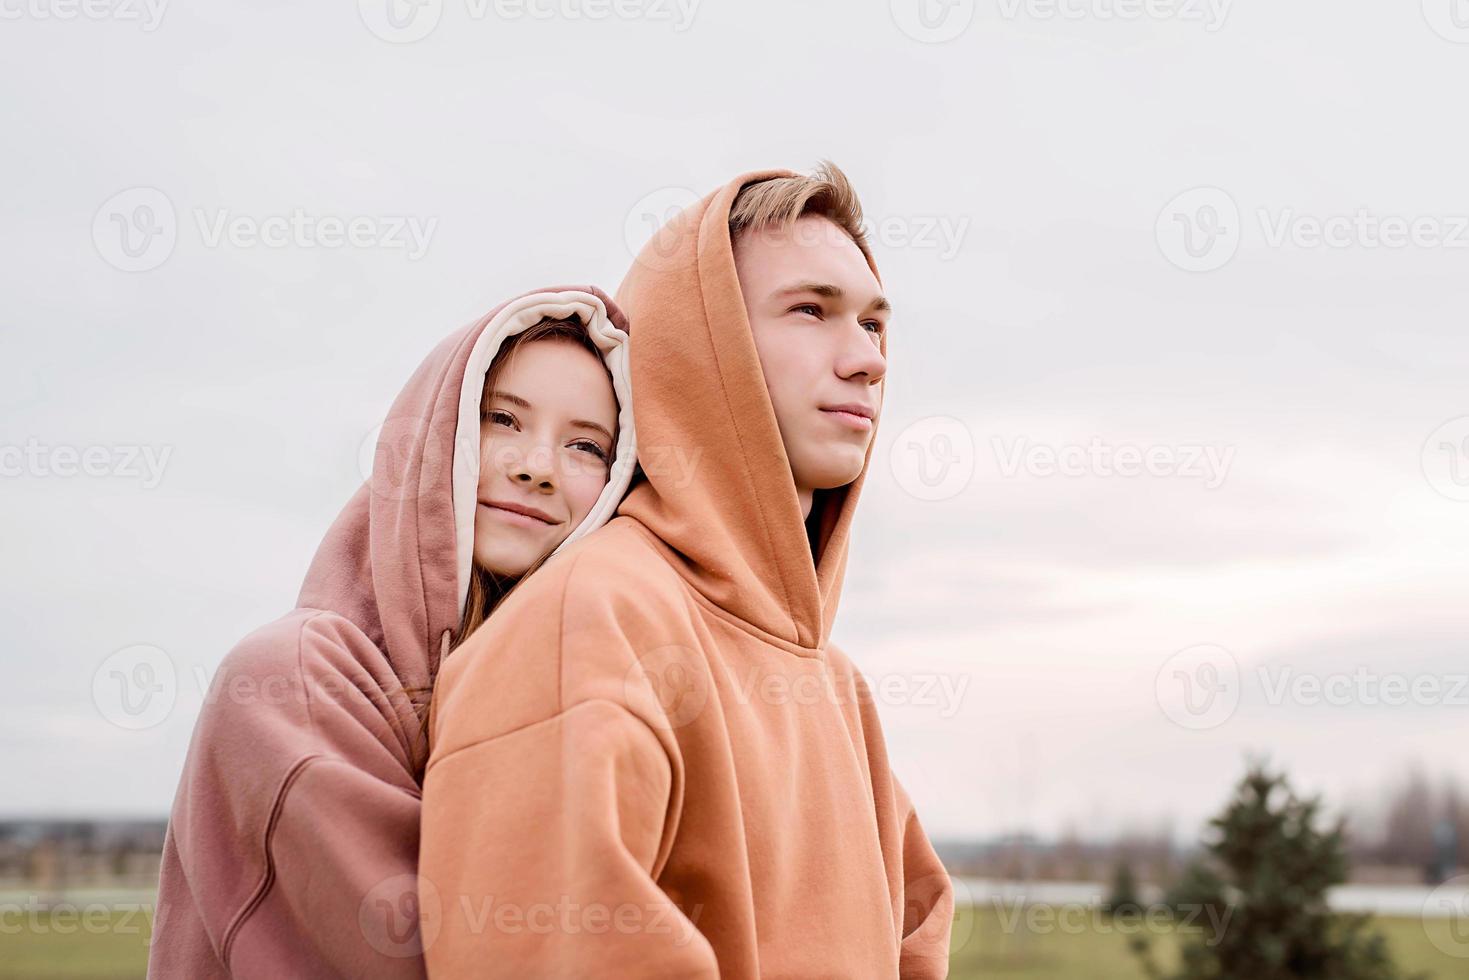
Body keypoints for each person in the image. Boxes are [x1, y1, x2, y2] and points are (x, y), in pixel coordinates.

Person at [420, 165, 954, 977]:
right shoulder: (593, 621)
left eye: (874, 326)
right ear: (706, 348)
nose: (866, 361)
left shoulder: (836, 684)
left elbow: (916, 934)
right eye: (810, 310)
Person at [146, 286, 637, 978]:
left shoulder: (576, 680)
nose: (535, 467)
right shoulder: (294, 678)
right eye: (500, 419)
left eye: (586, 445)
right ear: (431, 437)